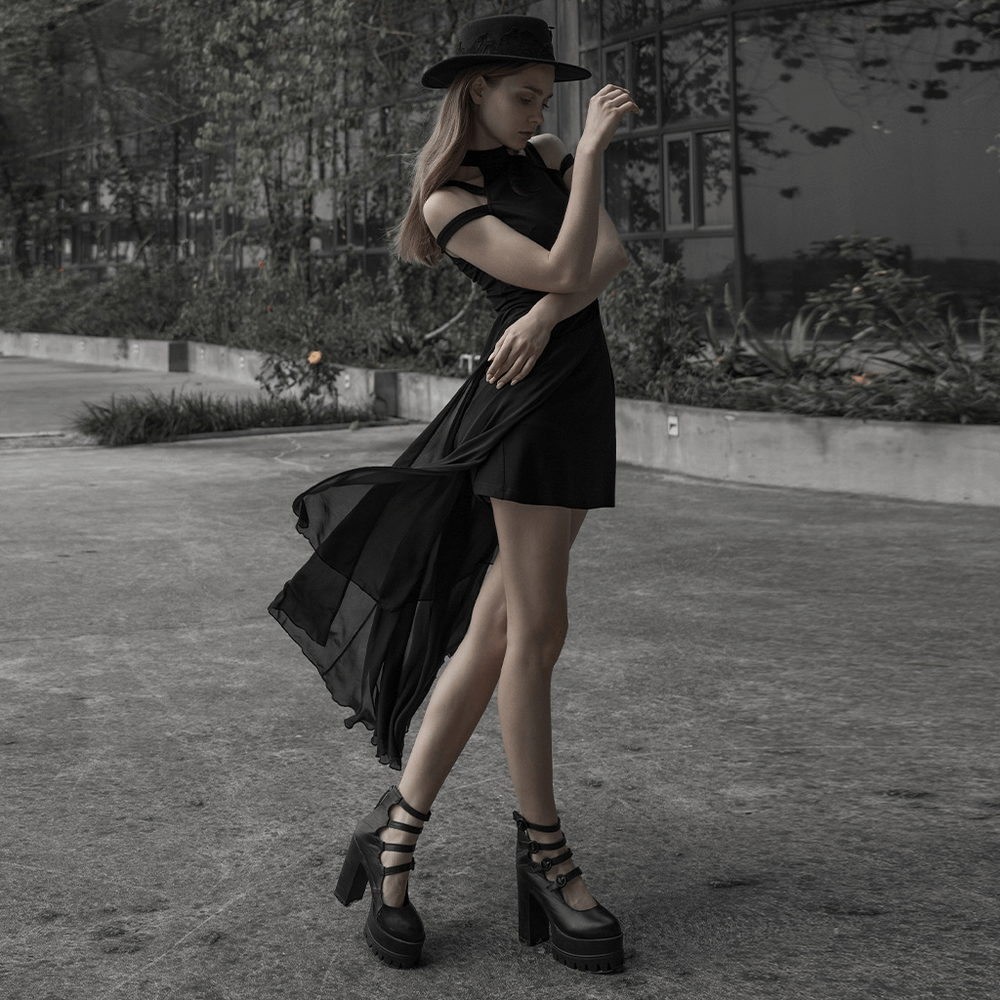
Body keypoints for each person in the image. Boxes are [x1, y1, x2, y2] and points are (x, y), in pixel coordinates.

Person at [269, 14, 637, 974]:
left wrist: (553, 306)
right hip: (521, 417)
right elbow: (565, 261)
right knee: (535, 634)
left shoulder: (547, 155)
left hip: (573, 402)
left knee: (496, 634)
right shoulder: (449, 198)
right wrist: (587, 159)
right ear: (474, 90)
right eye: (523, 96)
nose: (538, 114)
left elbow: (608, 264)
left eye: (545, 100)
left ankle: (395, 832)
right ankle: (546, 854)